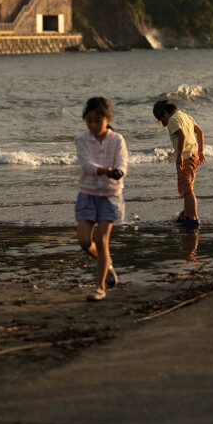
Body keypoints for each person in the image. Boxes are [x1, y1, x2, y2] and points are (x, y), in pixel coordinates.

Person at [75, 96, 128, 302]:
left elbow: (122, 163)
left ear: (108, 118)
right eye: (89, 121)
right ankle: (108, 265)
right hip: (87, 195)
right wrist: (105, 170)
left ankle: (100, 287)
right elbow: (86, 164)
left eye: (98, 120)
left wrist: (119, 172)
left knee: (102, 240)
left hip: (110, 196)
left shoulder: (117, 140)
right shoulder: (82, 140)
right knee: (84, 241)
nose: (94, 125)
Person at [152, 99, 205, 226]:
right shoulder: (186, 116)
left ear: (165, 113)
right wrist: (201, 151)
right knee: (185, 188)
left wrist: (179, 156)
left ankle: (193, 218)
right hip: (194, 155)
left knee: (187, 189)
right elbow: (200, 132)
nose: (164, 124)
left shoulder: (172, 120)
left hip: (186, 156)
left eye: (162, 120)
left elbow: (182, 136)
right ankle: (187, 214)